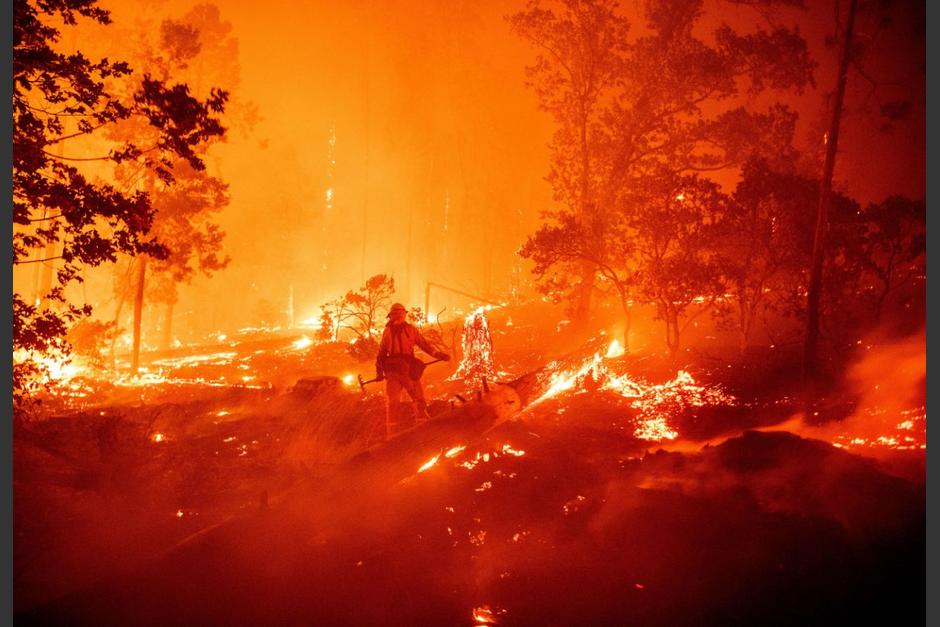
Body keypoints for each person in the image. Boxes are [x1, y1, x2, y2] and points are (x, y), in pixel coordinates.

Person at [375, 303, 450, 439]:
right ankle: (420, 429)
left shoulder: (393, 331)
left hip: (398, 371)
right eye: (397, 314)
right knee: (415, 400)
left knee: (396, 402)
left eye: (400, 314)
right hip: (403, 372)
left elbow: (381, 354)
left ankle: (393, 436)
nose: (399, 316)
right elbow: (424, 345)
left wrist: (438, 354)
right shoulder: (402, 330)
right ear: (394, 316)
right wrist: (379, 372)